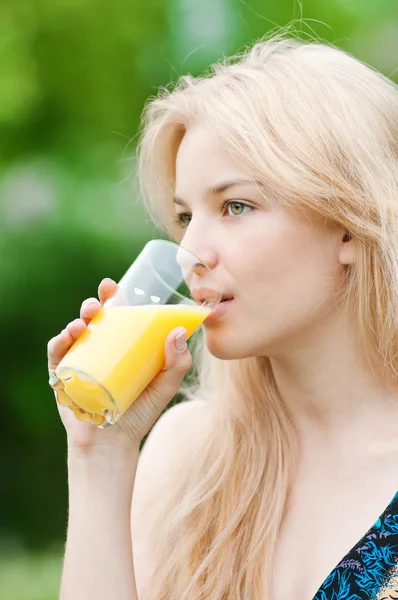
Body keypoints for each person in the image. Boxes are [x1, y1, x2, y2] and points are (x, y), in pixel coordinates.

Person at [47, 29, 398, 600]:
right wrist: (100, 457)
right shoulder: (188, 457)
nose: (190, 253)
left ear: (349, 226)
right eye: (185, 217)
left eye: (236, 206)